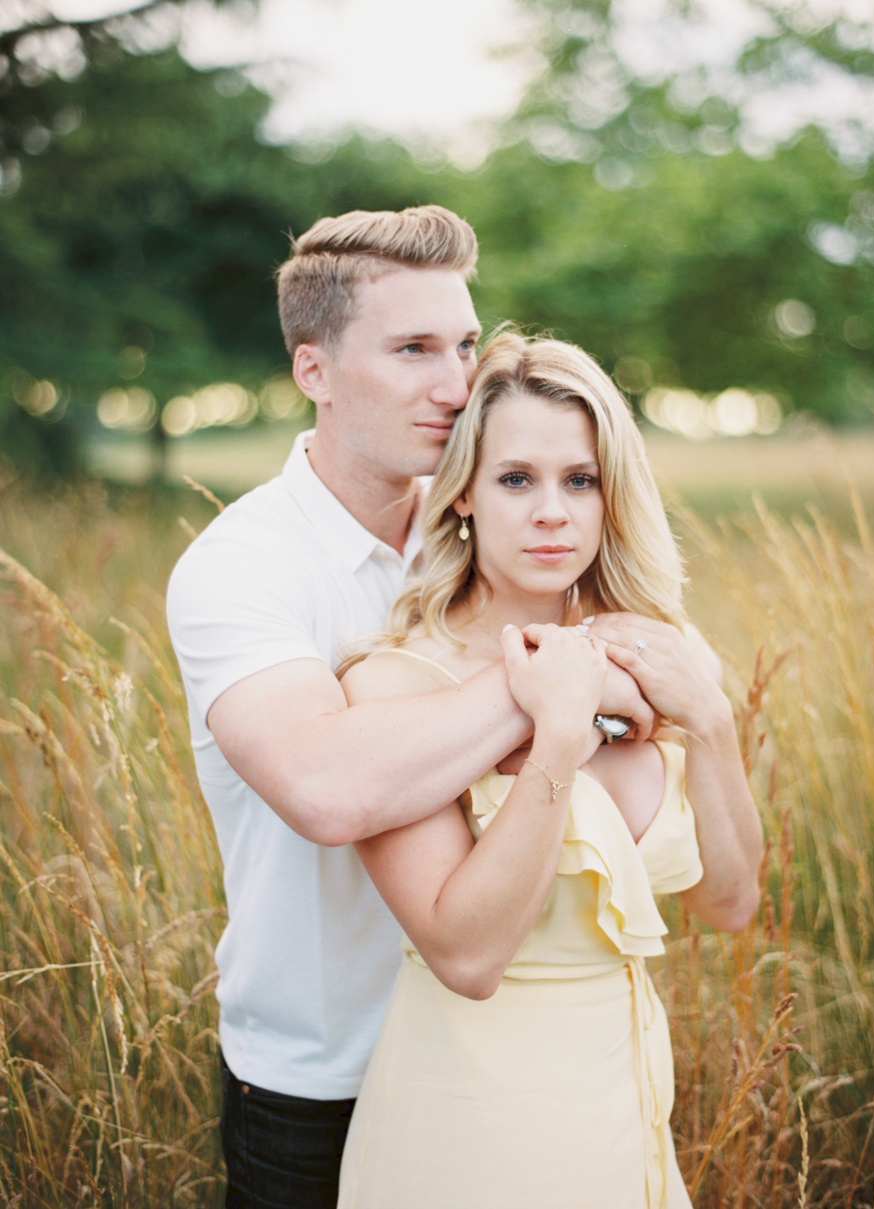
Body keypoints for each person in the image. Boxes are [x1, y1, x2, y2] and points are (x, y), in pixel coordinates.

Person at [166, 206, 657, 1208]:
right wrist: (562, 681)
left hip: (502, 1068)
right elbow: (327, 791)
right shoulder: (242, 568)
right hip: (327, 1082)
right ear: (315, 372)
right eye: (413, 350)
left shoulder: (493, 521)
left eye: (466, 344)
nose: (457, 383)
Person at [335, 332, 763, 1209]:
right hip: (468, 1122)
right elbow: (467, 954)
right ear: (460, 495)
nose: (552, 512)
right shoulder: (393, 683)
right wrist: (560, 735)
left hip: (623, 1108)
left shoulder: (659, 650)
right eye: (516, 478)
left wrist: (711, 721)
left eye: (581, 479)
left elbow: (731, 903)